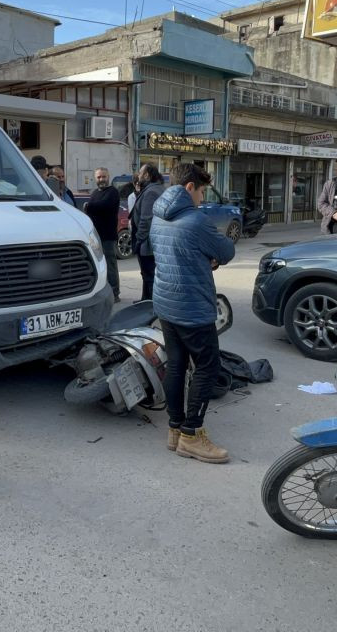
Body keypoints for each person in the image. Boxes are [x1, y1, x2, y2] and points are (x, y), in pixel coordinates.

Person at [150, 163, 236, 463]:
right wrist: (210, 254)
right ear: (189, 188)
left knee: (175, 365)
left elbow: (167, 252)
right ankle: (191, 434)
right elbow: (226, 251)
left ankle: (175, 430)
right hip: (192, 307)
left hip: (165, 303)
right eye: (201, 191)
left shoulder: (157, 216)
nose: (201, 197)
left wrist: (200, 259)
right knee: (207, 367)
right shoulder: (196, 220)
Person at [83, 167, 121, 302]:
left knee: (110, 266)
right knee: (98, 266)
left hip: (108, 236)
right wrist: (89, 206)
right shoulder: (94, 193)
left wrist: (89, 206)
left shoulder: (113, 192)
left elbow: (104, 206)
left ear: (108, 177)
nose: (101, 179)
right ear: (95, 179)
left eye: (103, 177)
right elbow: (91, 210)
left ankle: (115, 293)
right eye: (99, 177)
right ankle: (102, 291)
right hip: (95, 237)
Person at [130, 164, 165, 301]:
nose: (138, 176)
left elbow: (146, 220)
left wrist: (139, 240)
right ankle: (145, 300)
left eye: (140, 173)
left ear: (147, 175)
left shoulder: (151, 192)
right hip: (152, 242)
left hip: (148, 243)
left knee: (149, 275)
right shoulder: (156, 189)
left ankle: (149, 306)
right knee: (147, 274)